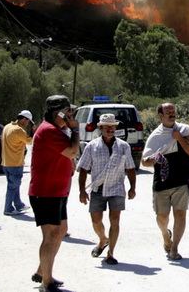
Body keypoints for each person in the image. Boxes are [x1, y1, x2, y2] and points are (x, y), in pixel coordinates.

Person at [28, 95, 80, 292]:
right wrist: (75, 129)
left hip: (57, 191)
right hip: (46, 192)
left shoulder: (56, 130)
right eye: (68, 112)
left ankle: (42, 271)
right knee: (50, 235)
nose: (71, 115)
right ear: (58, 113)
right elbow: (72, 151)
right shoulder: (49, 131)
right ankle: (46, 282)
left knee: (59, 232)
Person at [141, 103, 189, 261]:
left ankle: (174, 248)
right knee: (162, 217)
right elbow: (144, 161)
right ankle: (166, 235)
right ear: (160, 115)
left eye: (173, 111)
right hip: (162, 183)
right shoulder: (155, 136)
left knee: (180, 214)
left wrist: (179, 138)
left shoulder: (185, 130)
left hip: (181, 181)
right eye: (168, 112)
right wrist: (154, 159)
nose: (172, 114)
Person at [77, 113, 136, 265]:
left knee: (114, 220)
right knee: (96, 220)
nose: (110, 129)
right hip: (98, 188)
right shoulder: (92, 146)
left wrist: (132, 188)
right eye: (106, 127)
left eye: (112, 126)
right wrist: (82, 191)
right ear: (100, 128)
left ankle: (111, 253)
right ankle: (103, 239)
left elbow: (130, 168)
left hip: (116, 188)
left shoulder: (123, 146)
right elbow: (83, 169)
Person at [1, 110, 36, 215]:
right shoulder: (18, 130)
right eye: (28, 122)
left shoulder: (7, 127)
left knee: (14, 185)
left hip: (6, 162)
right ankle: (8, 208)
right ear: (24, 119)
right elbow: (30, 141)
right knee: (13, 186)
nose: (27, 124)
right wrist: (33, 130)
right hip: (15, 162)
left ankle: (18, 204)